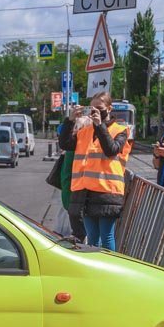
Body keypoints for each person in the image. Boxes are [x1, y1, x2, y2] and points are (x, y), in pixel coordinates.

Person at [59, 91, 132, 249]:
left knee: (106, 236)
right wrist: (70, 121)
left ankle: (110, 269)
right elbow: (65, 144)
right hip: (85, 192)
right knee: (92, 239)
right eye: (91, 108)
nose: (94, 112)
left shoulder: (121, 130)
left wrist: (99, 125)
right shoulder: (85, 132)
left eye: (99, 108)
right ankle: (96, 271)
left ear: (109, 109)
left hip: (108, 193)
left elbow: (111, 149)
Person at [56, 112, 87, 242]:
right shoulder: (76, 149)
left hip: (70, 198)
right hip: (75, 199)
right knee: (81, 235)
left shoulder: (71, 150)